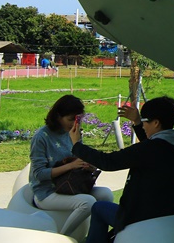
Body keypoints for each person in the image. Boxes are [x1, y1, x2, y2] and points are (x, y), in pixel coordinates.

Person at [72, 96, 174, 243]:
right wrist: (138, 121)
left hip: (143, 216)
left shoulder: (151, 149)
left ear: (156, 122)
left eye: (145, 122)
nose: (143, 126)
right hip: (173, 210)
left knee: (98, 208)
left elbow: (109, 162)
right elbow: (151, 144)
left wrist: (77, 146)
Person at [29, 94, 113, 235]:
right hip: (47, 191)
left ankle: (96, 238)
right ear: (58, 116)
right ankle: (61, 237)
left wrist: (88, 166)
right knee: (87, 202)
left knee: (106, 195)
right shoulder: (41, 137)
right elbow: (39, 174)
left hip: (72, 186)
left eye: (78, 119)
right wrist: (70, 166)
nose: (74, 123)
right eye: (70, 119)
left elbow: (80, 159)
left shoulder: (74, 133)